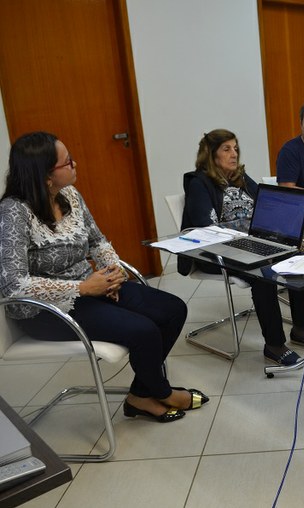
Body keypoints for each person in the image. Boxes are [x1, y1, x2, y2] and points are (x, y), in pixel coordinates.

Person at [0, 132, 202, 423]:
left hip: (92, 287)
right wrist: (82, 287)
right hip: (45, 310)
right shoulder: (13, 213)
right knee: (144, 331)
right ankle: (162, 391)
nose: (75, 164)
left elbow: (97, 241)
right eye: (67, 162)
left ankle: (140, 396)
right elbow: (14, 284)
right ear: (45, 175)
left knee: (173, 310)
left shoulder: (69, 194)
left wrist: (112, 272)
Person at [181, 130, 304, 366]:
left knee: (293, 256)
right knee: (263, 273)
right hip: (216, 251)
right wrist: (245, 237)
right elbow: (206, 227)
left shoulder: (240, 177)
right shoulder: (199, 183)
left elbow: (266, 201)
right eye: (226, 149)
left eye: (235, 148)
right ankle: (274, 345)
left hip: (251, 244)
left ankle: (300, 327)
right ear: (211, 155)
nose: (234, 154)